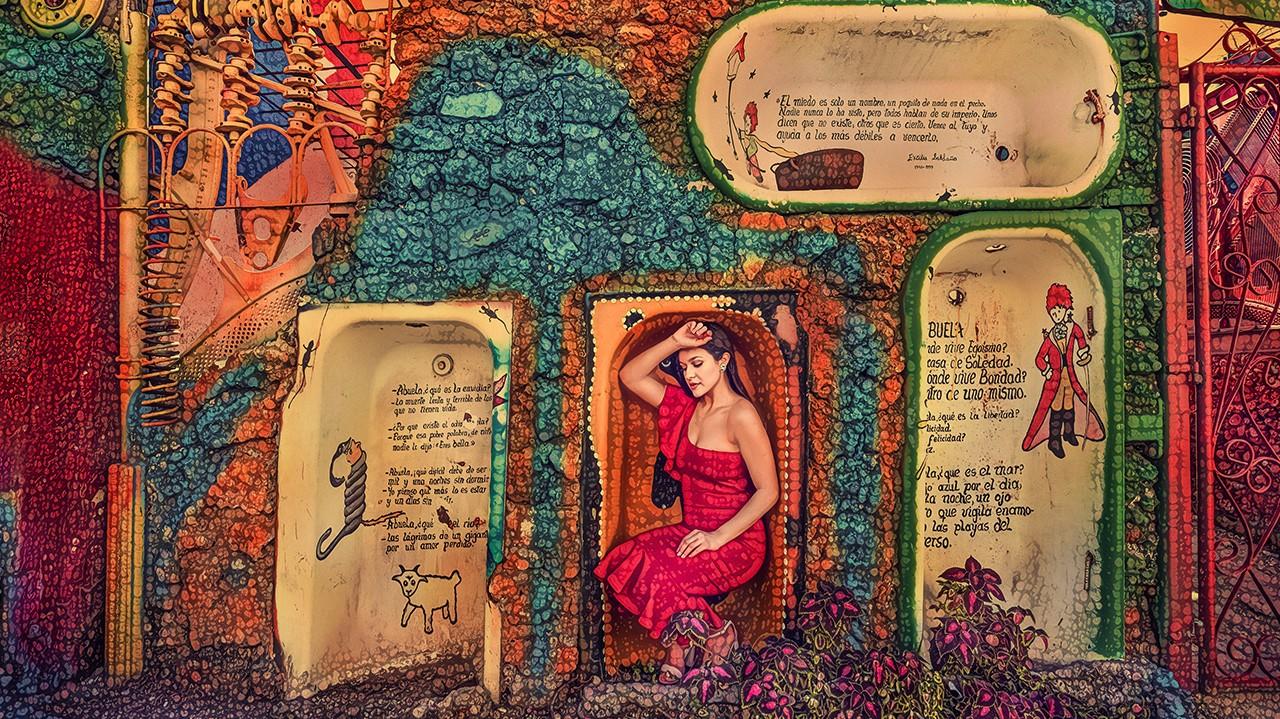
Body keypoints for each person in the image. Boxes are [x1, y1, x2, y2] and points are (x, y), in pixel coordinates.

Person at [594, 320, 779, 683]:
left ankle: (678, 650)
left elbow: (768, 491)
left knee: (660, 574)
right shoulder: (683, 407)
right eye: (684, 367)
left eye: (698, 364)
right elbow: (631, 376)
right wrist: (674, 340)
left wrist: (717, 538)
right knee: (630, 558)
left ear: (723, 361)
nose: (690, 375)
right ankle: (713, 635)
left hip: (736, 542)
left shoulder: (741, 414)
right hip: (692, 531)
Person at [1021, 283, 1106, 458]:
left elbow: (1080, 337)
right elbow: (1039, 358)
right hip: (1055, 379)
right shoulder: (1051, 337)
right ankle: (1054, 441)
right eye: (1053, 313)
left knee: (1070, 401)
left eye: (1058, 311)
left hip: (1070, 375)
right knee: (1057, 404)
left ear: (1066, 309)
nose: (1056, 315)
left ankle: (1068, 432)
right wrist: (1046, 370)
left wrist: (1083, 351)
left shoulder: (1072, 327)